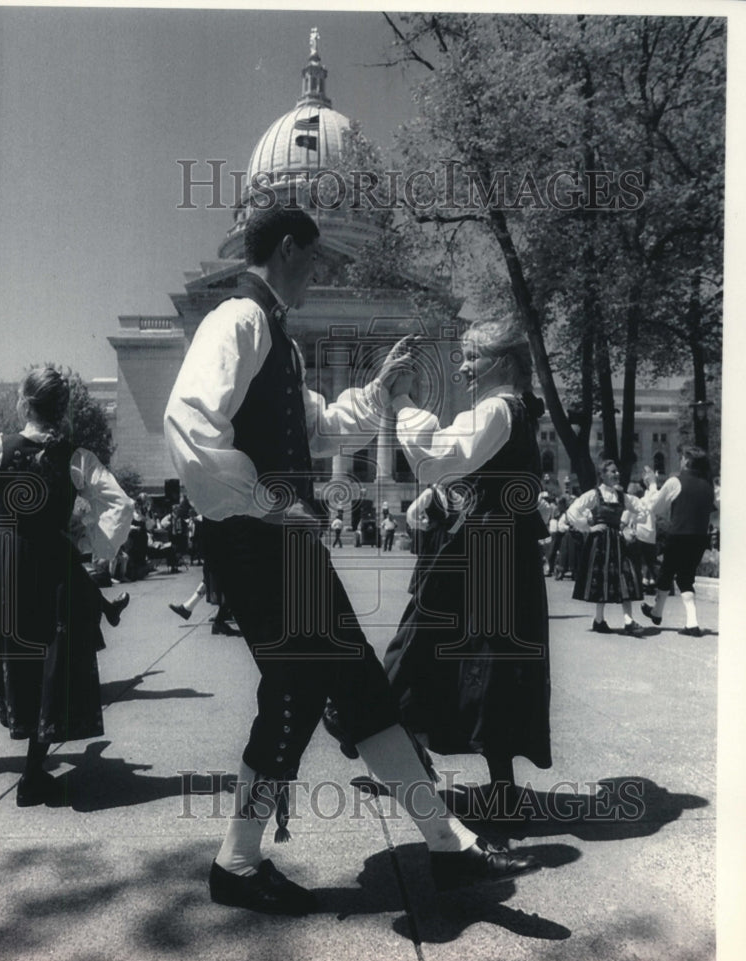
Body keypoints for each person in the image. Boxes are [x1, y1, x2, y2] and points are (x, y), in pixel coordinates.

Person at [164, 206, 539, 915]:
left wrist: (379, 392)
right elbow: (188, 423)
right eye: (313, 259)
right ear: (287, 248)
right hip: (256, 542)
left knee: (357, 687)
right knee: (299, 689)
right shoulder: (236, 322)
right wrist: (268, 502)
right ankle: (239, 863)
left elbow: (317, 426)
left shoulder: (275, 336)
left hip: (282, 543)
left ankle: (446, 843)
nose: (319, 273)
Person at [0, 367, 133, 806]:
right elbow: (120, 502)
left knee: (19, 654)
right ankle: (32, 769)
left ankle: (32, 769)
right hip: (52, 560)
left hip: (6, 562)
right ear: (62, 410)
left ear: (24, 404)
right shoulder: (76, 457)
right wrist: (93, 544)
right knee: (54, 657)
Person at [383, 315, 552, 819]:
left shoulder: (499, 409)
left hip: (481, 557)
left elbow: (441, 454)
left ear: (501, 362)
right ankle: (497, 786)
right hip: (498, 554)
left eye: (472, 357)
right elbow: (468, 475)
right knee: (490, 660)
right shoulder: (513, 411)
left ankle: (371, 730)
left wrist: (401, 401)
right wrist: (442, 498)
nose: (463, 370)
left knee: (432, 648)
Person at [640, 446, 716, 637]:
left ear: (687, 461)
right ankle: (672, 617)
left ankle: (672, 617)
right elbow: (714, 512)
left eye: (682, 458)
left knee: (667, 573)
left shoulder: (676, 481)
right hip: (699, 537)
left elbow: (656, 508)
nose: (680, 461)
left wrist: (652, 484)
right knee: (685, 577)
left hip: (679, 534)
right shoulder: (708, 485)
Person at [566, 458, 646, 635]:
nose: (616, 474)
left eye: (617, 471)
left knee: (626, 576)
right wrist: (588, 528)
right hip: (600, 542)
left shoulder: (622, 496)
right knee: (601, 579)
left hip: (618, 540)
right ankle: (599, 620)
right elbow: (572, 512)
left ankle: (628, 620)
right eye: (612, 471)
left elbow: (642, 510)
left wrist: (629, 523)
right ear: (602, 475)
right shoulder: (594, 495)